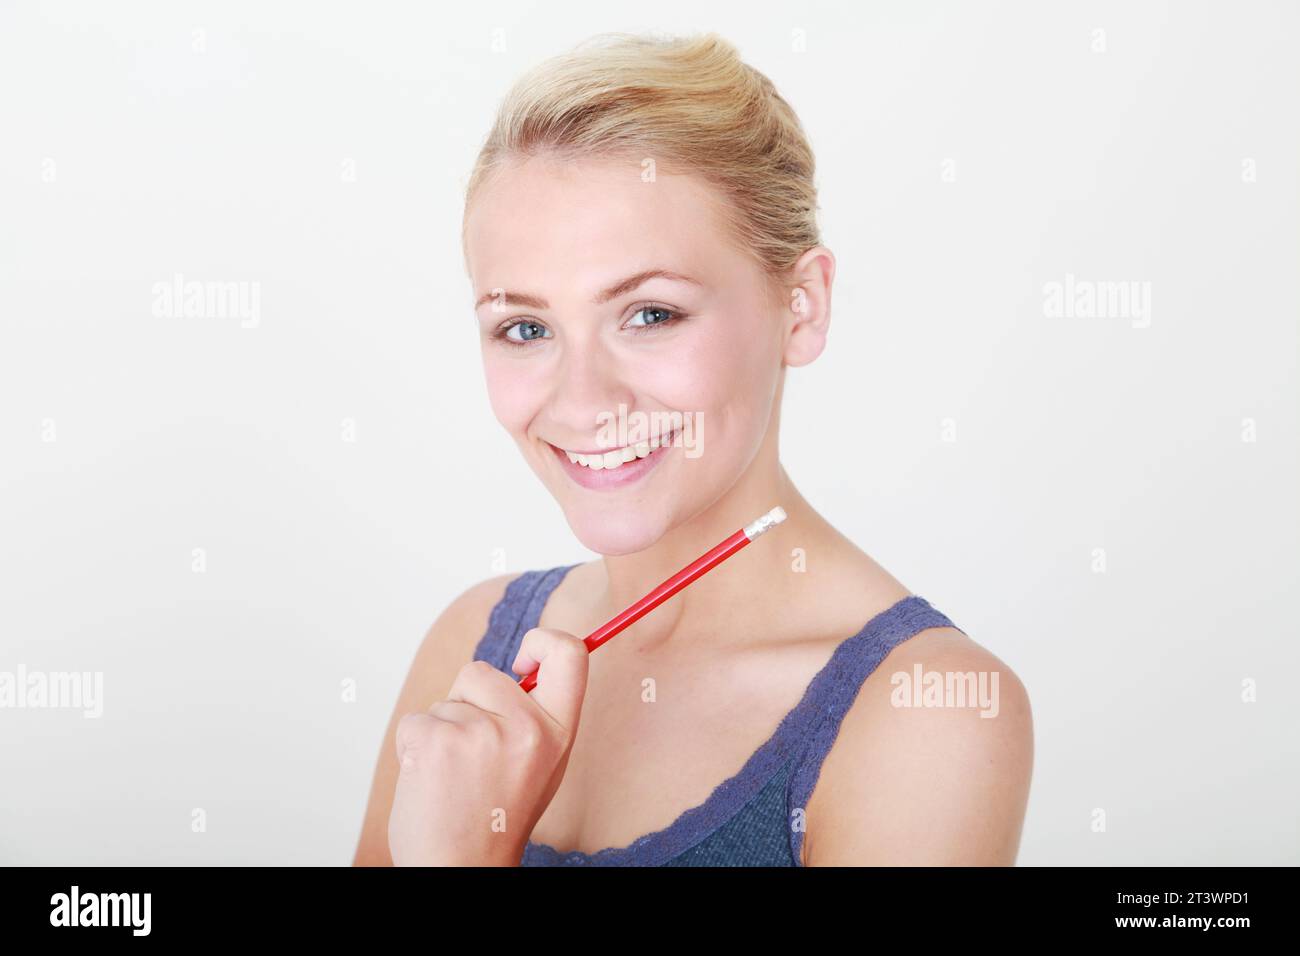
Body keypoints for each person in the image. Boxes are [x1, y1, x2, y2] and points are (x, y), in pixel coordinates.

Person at [354, 31, 1032, 866]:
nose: (581, 400)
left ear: (803, 306)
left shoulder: (929, 711)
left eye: (650, 314)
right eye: (524, 328)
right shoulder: (472, 645)